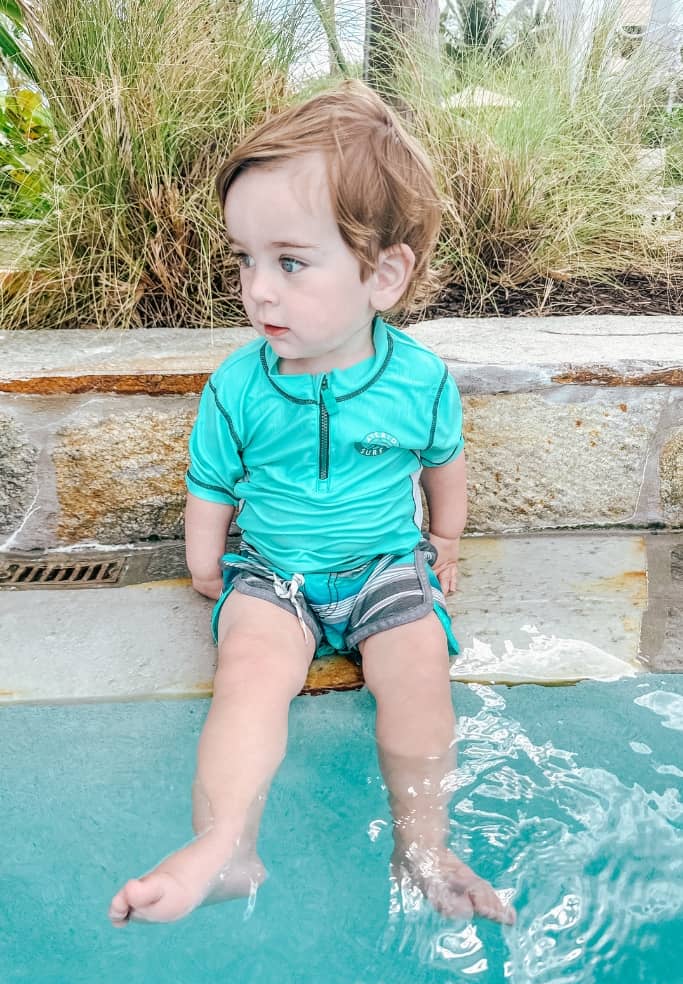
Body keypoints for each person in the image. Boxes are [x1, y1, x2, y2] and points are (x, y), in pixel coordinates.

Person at [109, 81, 515, 928]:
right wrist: (204, 564)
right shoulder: (238, 385)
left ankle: (424, 845)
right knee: (248, 677)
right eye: (244, 260)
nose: (258, 290)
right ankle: (225, 845)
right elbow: (211, 482)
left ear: (383, 275)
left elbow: (442, 462)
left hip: (382, 566)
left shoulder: (417, 379)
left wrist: (444, 538)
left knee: (418, 671)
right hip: (271, 574)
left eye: (289, 262)